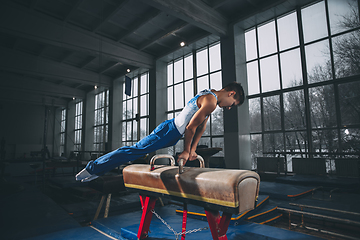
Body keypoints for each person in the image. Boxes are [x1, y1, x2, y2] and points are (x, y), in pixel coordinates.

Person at [76, 82, 245, 182]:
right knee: (134, 151)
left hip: (171, 129)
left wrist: (193, 150)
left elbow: (201, 127)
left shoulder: (210, 95)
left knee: (135, 151)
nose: (229, 107)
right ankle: (93, 168)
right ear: (231, 93)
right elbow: (191, 127)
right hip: (170, 131)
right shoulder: (211, 102)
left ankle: (97, 170)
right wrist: (186, 150)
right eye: (233, 103)